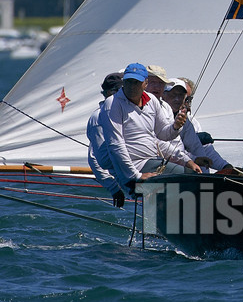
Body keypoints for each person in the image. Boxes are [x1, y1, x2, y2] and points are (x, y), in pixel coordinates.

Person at [105, 62, 202, 196]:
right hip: (133, 169)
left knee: (194, 177)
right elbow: (116, 145)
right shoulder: (112, 103)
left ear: (145, 83)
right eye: (128, 81)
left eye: (136, 82)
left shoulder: (151, 100)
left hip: (152, 162)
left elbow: (163, 134)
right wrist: (136, 176)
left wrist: (176, 127)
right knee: (194, 181)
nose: (131, 86)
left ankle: (173, 214)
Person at [163, 78, 233, 174]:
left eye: (182, 96)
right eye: (174, 95)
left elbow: (198, 148)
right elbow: (166, 148)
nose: (178, 99)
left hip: (184, 166)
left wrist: (223, 166)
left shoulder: (188, 121)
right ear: (163, 95)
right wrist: (193, 160)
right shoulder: (158, 115)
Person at [86, 72, 126, 207]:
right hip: (125, 180)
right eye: (118, 90)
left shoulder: (128, 111)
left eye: (124, 90)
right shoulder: (98, 117)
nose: (122, 94)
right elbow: (95, 158)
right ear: (107, 93)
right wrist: (114, 188)